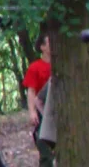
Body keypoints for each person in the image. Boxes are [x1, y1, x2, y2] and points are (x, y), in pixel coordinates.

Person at [22, 33, 55, 165]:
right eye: (49, 42)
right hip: (43, 110)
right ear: (42, 47)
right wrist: (32, 111)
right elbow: (31, 91)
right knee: (43, 143)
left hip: (58, 109)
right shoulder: (35, 67)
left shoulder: (61, 65)